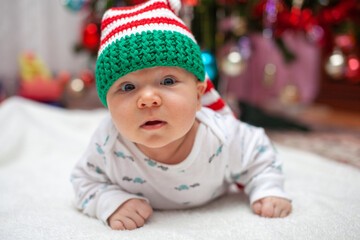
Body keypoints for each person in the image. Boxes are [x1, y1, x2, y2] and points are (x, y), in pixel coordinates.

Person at [70, 0, 292, 231]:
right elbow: (83, 181)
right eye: (127, 87)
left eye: (167, 81)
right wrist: (110, 201)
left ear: (198, 97)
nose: (147, 99)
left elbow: (261, 155)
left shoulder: (220, 135)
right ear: (108, 105)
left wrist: (267, 188)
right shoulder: (108, 143)